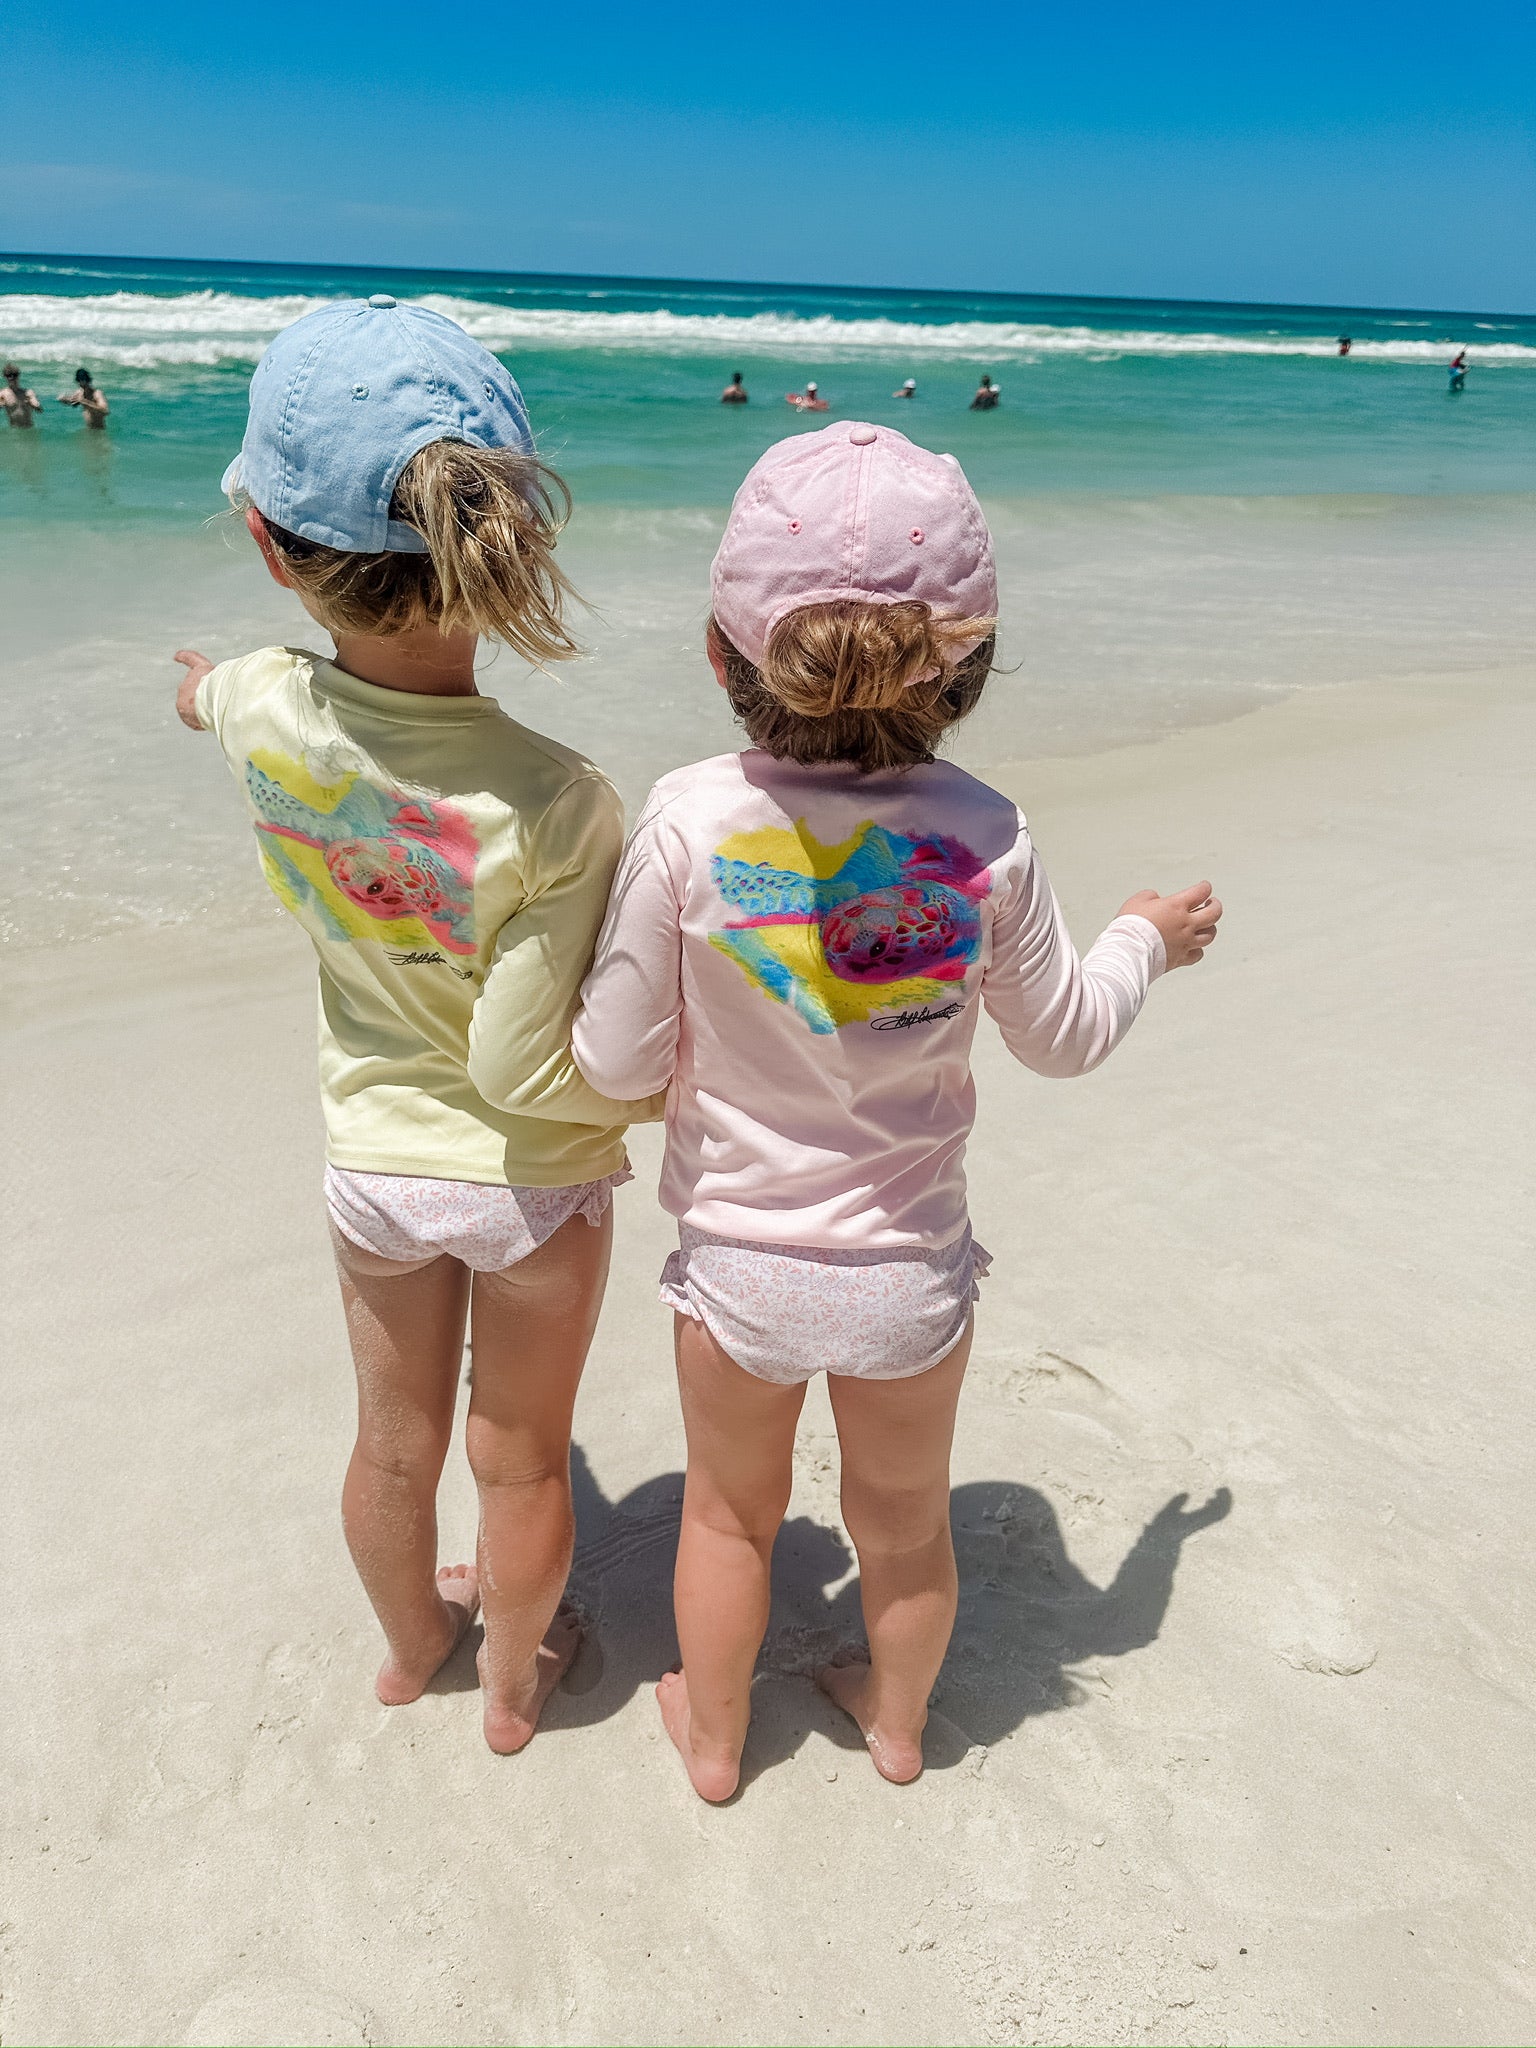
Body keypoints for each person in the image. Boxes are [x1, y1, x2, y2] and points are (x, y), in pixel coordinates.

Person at [572, 421, 1222, 1801]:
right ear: (969, 674)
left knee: (734, 1521)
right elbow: (1067, 1037)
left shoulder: (687, 823)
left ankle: (712, 1740)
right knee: (909, 1527)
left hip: (741, 1271)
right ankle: (897, 1724)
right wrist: (1142, 939)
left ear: (718, 654)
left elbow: (619, 1066)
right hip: (912, 1282)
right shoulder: (988, 836)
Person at [171, 297, 660, 1754]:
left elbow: (212, 696)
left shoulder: (259, 706)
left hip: (371, 1164)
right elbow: (525, 1060)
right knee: (517, 1469)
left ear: (268, 545)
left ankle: (411, 1649)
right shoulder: (556, 798)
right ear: (504, 549)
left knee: (394, 1444)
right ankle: (516, 1690)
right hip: (523, 1180)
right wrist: (640, 1113)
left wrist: (198, 689)